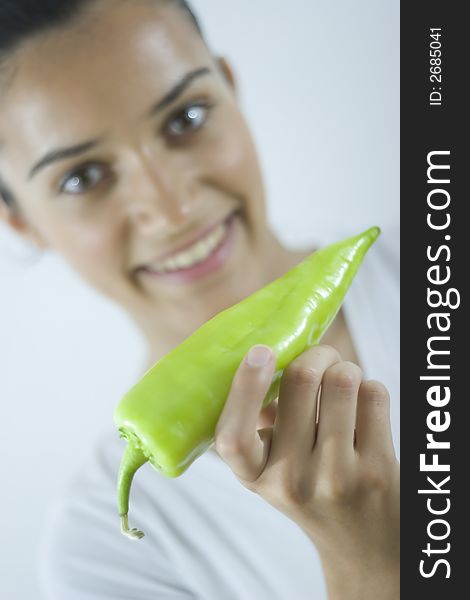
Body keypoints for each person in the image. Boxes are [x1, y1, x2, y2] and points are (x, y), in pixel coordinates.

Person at [0, 1, 400, 598]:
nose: (172, 209)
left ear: (232, 90)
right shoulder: (103, 555)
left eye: (185, 117)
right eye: (82, 177)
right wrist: (373, 566)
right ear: (23, 223)